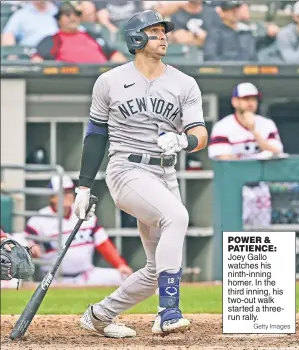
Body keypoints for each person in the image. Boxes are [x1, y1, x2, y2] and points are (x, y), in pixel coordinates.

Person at [73, 9, 208, 338]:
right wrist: (83, 186)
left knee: (154, 270)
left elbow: (201, 135)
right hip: (126, 169)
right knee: (176, 216)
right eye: (155, 30)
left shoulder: (184, 83)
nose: (163, 36)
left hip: (165, 174)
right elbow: (96, 136)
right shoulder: (109, 81)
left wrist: (182, 140)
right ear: (136, 38)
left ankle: (99, 315)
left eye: (165, 31)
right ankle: (168, 311)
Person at [25, 174, 133, 286]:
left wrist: (120, 264)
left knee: (125, 278)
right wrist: (32, 248)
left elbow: (103, 243)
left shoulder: (84, 212)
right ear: (52, 197)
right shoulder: (39, 219)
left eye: (70, 191)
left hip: (87, 275)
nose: (68, 195)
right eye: (63, 192)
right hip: (54, 279)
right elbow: (27, 244)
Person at [208, 82, 284, 228]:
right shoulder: (223, 126)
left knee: (261, 234)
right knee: (233, 231)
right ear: (235, 101)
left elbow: (277, 151)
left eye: (253, 99)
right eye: (246, 99)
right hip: (236, 188)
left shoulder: (266, 124)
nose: (250, 103)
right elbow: (222, 157)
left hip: (260, 187)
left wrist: (254, 130)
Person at [31, 2, 126, 64]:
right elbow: (37, 61)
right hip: (71, 84)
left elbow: (114, 54)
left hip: (102, 80)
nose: (73, 18)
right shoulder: (51, 40)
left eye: (77, 14)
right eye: (67, 15)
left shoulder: (92, 35)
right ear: (59, 20)